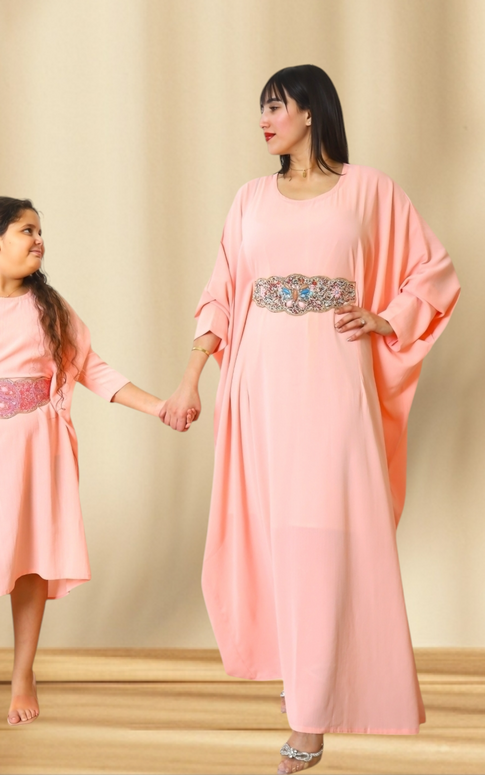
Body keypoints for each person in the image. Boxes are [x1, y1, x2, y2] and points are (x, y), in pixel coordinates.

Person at [160, 64, 460, 773]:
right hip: (260, 382)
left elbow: (433, 270)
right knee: (282, 540)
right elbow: (222, 292)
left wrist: (388, 316)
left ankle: (317, 711)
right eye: (261, 108)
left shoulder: (370, 190)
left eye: (276, 106)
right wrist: (192, 375)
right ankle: (308, 713)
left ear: (311, 111)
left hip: (333, 380)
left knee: (325, 537)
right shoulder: (249, 199)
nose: (264, 119)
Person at [0, 197, 174, 754]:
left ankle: (23, 674)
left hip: (37, 450)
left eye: (41, 231)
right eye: (27, 230)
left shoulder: (48, 304)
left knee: (30, 562)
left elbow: (92, 366)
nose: (39, 240)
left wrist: (158, 406)